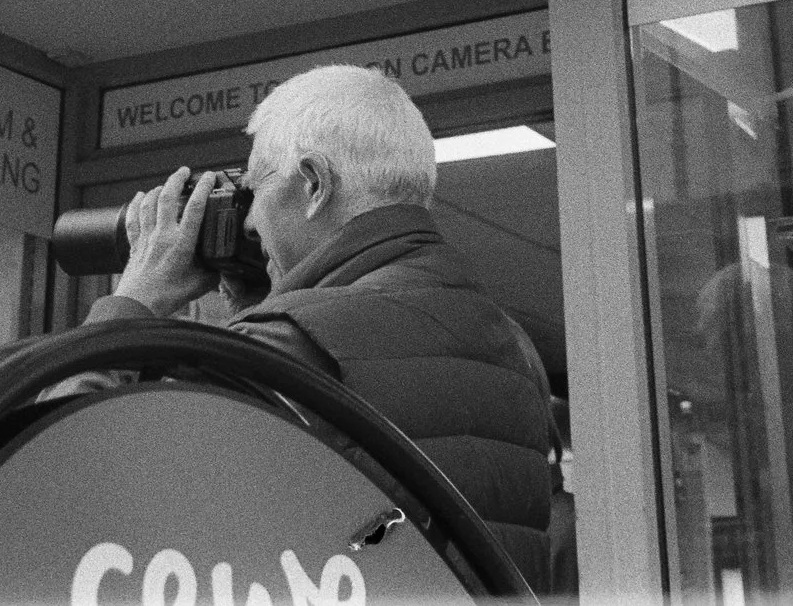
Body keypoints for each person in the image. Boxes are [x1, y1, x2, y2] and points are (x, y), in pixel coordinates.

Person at [86, 65, 556, 589]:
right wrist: (266, 303)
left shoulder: (284, 350)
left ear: (312, 183)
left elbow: (72, 486)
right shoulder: (513, 345)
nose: (247, 221)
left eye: (256, 188)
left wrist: (134, 301)